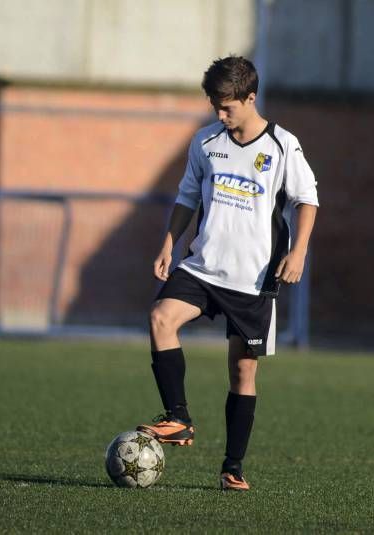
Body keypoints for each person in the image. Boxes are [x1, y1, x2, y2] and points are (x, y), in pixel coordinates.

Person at [136, 56, 319, 491]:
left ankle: (232, 467)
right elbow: (186, 197)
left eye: (227, 107)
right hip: (202, 266)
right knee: (161, 317)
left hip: (252, 280)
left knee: (242, 373)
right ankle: (178, 418)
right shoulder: (205, 141)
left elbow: (307, 199)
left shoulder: (281, 145)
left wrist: (298, 253)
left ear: (250, 98)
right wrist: (169, 242)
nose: (219, 114)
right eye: (214, 106)